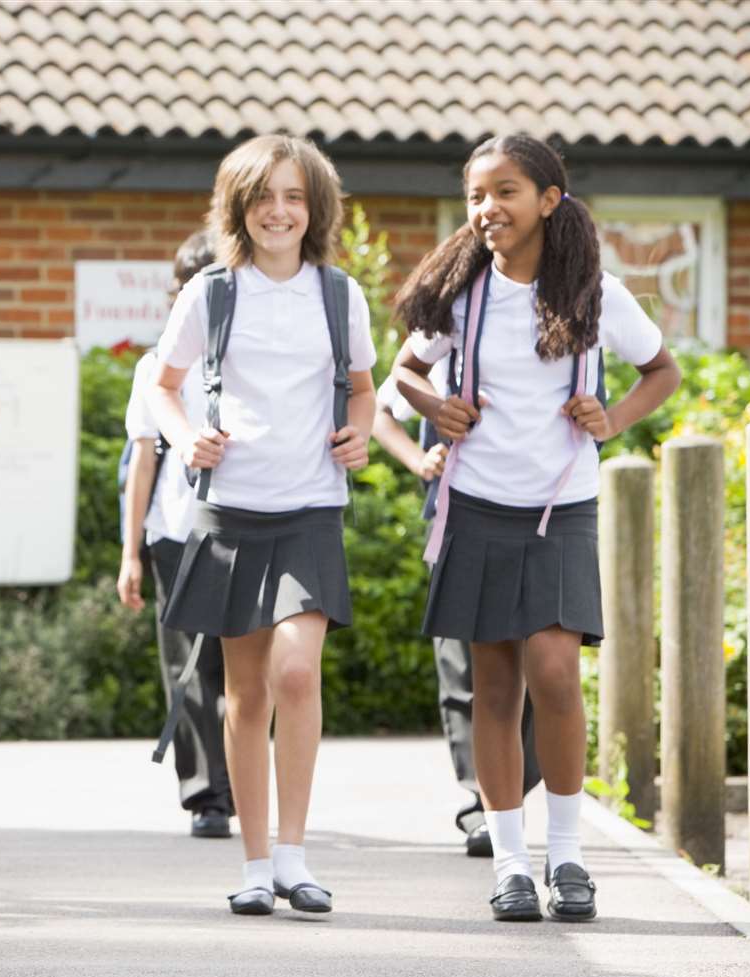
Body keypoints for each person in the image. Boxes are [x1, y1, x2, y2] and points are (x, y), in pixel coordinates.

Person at [393, 133, 680, 923]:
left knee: (554, 674)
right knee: (494, 687)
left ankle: (569, 856)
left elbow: (664, 370)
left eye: (506, 191)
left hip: (561, 505)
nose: (488, 209)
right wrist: (433, 406)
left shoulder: (594, 292)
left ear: (550, 199)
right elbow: (403, 375)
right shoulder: (462, 296)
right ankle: (512, 863)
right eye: (477, 195)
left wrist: (612, 417)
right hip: (478, 504)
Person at [150, 135, 376, 917]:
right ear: (239, 208)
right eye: (263, 198)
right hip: (230, 511)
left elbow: (362, 389)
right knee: (244, 694)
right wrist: (184, 437)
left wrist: (361, 430)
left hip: (311, 509)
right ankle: (253, 866)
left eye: (293, 196)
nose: (278, 211)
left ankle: (294, 856)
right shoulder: (210, 294)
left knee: (295, 673)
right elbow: (163, 387)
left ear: (314, 207)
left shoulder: (339, 295)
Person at [371, 374, 542, 856]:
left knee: (536, 669)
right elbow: (380, 411)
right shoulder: (443, 336)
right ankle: (483, 802)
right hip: (455, 521)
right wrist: (419, 459)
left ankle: (514, 793)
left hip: (538, 520)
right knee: (464, 671)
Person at [118, 229, 235, 839]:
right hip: (174, 532)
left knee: (241, 661)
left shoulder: (256, 359)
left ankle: (240, 782)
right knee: (185, 665)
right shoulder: (154, 365)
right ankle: (206, 797)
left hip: (245, 527)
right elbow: (143, 459)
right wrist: (130, 550)